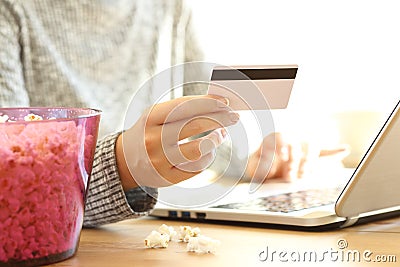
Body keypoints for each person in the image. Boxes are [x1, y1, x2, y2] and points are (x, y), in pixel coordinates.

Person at [0, 0, 345, 227]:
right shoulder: (12, 11)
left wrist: (254, 159)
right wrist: (121, 166)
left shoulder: (168, 8)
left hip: (148, 235)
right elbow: (13, 191)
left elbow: (204, 131)